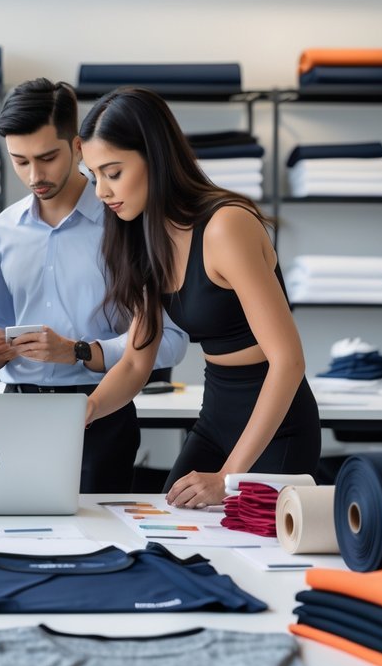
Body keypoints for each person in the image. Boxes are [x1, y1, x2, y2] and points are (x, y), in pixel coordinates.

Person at [79, 86, 320, 508]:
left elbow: (288, 361)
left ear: (155, 157)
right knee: (162, 528)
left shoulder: (226, 226)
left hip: (277, 429)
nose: (101, 190)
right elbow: (136, 361)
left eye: (113, 173)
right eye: (93, 175)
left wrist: (228, 477)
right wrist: (89, 408)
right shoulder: (145, 237)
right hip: (215, 420)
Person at [0, 78, 188, 494]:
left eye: (47, 157)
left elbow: (172, 341)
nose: (34, 175)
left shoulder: (126, 222)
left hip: (103, 411)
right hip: (15, 412)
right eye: (20, 161)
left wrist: (79, 351)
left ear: (77, 147)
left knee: (97, 530)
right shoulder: (1, 231)